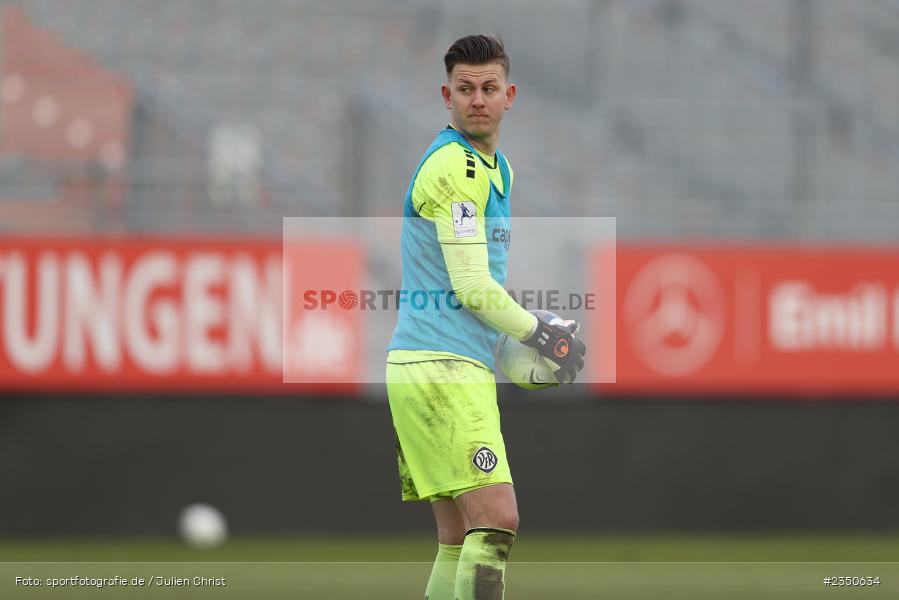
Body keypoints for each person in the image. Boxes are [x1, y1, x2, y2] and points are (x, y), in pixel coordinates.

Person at [386, 33, 586, 599]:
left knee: (458, 535)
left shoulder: (494, 168)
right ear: (445, 95)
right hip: (441, 369)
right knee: (497, 521)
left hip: (431, 364)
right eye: (466, 88)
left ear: (510, 95)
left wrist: (506, 346)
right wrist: (540, 333)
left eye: (488, 88)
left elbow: (474, 287)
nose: (477, 98)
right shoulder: (460, 170)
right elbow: (473, 288)